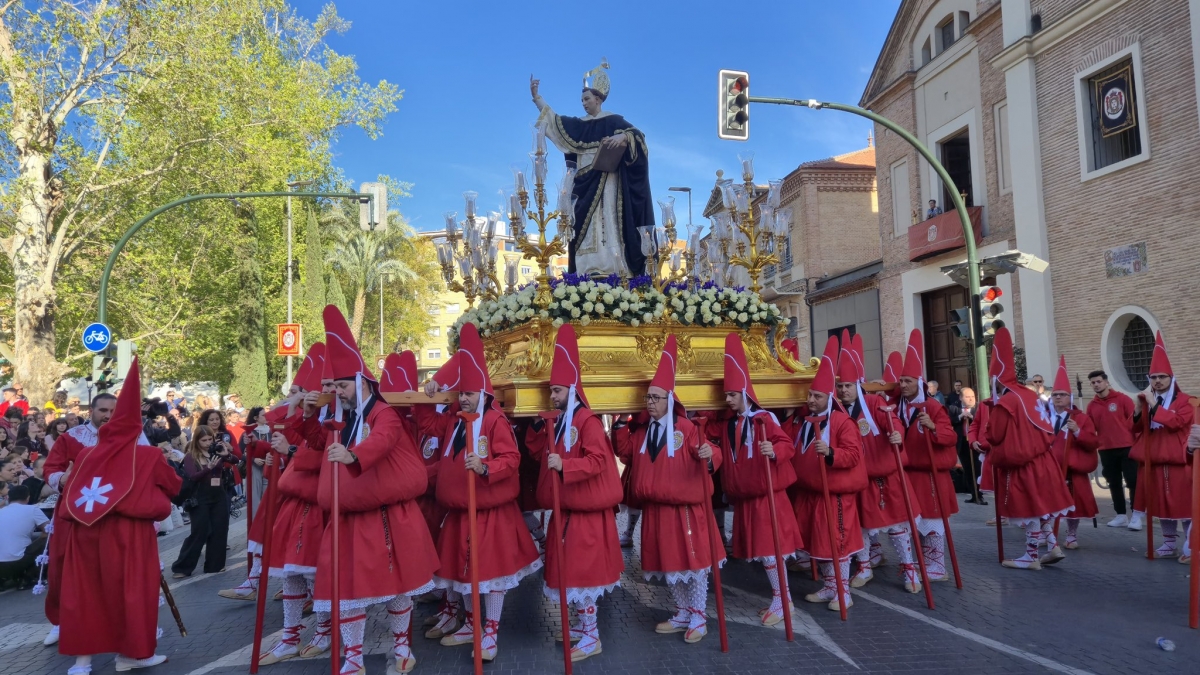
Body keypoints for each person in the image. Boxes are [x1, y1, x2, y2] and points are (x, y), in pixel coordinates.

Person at [297, 306, 438, 675]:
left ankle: (403, 649)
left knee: (398, 585)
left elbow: (384, 439)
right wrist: (309, 415)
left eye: (342, 386)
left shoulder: (382, 412)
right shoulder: (341, 414)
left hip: (387, 516)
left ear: (361, 382)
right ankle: (354, 657)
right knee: (348, 591)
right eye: (334, 386)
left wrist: (353, 455)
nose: (337, 392)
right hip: (348, 518)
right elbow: (315, 440)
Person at [418, 322, 542, 663]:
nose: (464, 398)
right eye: (461, 393)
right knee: (465, 574)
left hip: (489, 515)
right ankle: (471, 624)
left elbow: (512, 458)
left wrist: (486, 468)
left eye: (469, 394)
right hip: (460, 514)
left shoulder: (494, 422)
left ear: (484, 395)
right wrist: (430, 392)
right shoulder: (456, 420)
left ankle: (490, 632)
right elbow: (427, 425)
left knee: (491, 576)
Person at [56, 357, 180, 674]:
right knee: (133, 593)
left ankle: (81, 663)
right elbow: (174, 486)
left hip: (86, 533)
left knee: (86, 594)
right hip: (130, 534)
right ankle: (132, 655)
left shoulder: (86, 452)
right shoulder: (149, 454)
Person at [615, 335, 722, 643]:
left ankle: (699, 615)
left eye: (656, 398)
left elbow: (712, 450)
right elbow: (624, 452)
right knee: (667, 562)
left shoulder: (687, 429)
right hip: (656, 510)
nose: (650, 403)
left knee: (694, 561)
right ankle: (683, 609)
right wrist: (621, 421)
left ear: (670, 400)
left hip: (686, 510)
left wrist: (709, 456)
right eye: (648, 398)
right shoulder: (643, 431)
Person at [530, 325, 623, 662]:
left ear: (571, 389)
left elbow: (599, 459)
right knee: (569, 574)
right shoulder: (561, 419)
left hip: (585, 516)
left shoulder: (587, 421)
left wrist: (565, 467)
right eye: (550, 391)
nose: (551, 396)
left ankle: (591, 635)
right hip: (566, 513)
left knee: (583, 577)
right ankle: (582, 630)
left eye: (556, 391)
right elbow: (536, 449)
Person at [40, 392, 152, 647]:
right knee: (61, 565)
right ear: (91, 410)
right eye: (103, 410)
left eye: (113, 411)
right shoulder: (71, 437)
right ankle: (59, 621)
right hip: (74, 510)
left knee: (113, 568)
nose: (108, 416)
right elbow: (51, 468)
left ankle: (115, 622)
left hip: (113, 514)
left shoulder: (130, 437)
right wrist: (63, 479)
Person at [703, 333, 801, 626]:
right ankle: (780, 599)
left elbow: (787, 445)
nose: (728, 400)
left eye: (732, 395)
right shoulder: (729, 422)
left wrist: (774, 450)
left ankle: (783, 601)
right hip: (747, 497)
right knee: (763, 552)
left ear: (744, 393)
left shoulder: (765, 419)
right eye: (726, 396)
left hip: (767, 497)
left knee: (772, 551)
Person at [530, 60, 653, 277]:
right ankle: (587, 267)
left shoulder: (615, 121)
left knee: (608, 218)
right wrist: (537, 98)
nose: (584, 104)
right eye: (581, 100)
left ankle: (613, 265)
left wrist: (623, 136)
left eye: (587, 99)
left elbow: (639, 138)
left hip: (609, 181)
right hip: (583, 184)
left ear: (598, 99)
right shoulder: (579, 125)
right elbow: (555, 122)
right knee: (582, 224)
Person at [253, 343, 335, 665]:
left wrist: (290, 450)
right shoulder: (310, 413)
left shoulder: (346, 415)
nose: (327, 390)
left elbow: (326, 456)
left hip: (322, 503)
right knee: (291, 573)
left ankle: (325, 630)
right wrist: (293, 414)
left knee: (317, 573)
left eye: (333, 385)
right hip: (296, 502)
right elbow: (293, 441)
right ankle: (289, 634)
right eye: (324, 385)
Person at [834, 332, 921, 594]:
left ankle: (909, 568)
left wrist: (897, 432)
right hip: (858, 480)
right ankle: (864, 566)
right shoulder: (836, 410)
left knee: (897, 526)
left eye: (848, 386)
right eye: (840, 386)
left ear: (857, 386)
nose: (844, 390)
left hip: (887, 476)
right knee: (859, 526)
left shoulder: (874, 402)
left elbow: (891, 421)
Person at [985, 328, 1073, 570]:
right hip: (1044, 459)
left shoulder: (1006, 401)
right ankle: (1053, 545)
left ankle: (1031, 556)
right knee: (1040, 505)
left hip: (1023, 462)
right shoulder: (1029, 394)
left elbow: (994, 435)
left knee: (1031, 507)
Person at [790, 337, 867, 611]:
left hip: (833, 495)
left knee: (837, 544)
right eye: (810, 395)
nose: (811, 400)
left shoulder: (842, 422)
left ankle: (843, 592)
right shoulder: (805, 421)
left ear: (829, 398)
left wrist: (832, 452)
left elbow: (854, 454)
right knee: (818, 544)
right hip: (810, 495)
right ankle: (830, 586)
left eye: (817, 396)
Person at [896, 329, 958, 581]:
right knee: (912, 522)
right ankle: (921, 562)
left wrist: (932, 428)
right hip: (908, 473)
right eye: (901, 381)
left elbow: (950, 436)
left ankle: (937, 566)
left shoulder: (933, 406)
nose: (902, 385)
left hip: (930, 474)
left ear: (918, 383)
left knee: (932, 522)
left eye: (907, 381)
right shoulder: (898, 404)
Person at [1129, 331, 1194, 559]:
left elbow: (1177, 422)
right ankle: (1168, 543)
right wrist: (1138, 410)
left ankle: (1191, 545)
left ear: (1171, 378)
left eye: (1162, 377)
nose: (1157, 381)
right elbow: (1134, 429)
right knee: (1161, 506)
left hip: (1179, 461)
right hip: (1154, 461)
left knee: (1184, 506)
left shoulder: (1186, 401)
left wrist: (1153, 405)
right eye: (1154, 377)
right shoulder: (1145, 401)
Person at [1047, 357, 1100, 550]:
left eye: (1062, 395)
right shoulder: (1044, 417)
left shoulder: (1081, 418)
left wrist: (1077, 431)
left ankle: (1071, 535)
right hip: (1048, 469)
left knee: (1073, 504)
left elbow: (1093, 442)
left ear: (1069, 397)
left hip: (1071, 469)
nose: (1058, 398)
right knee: (1046, 502)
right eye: (1055, 395)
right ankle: (1047, 534)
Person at [170, 425, 236, 577]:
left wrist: (226, 455)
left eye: (209, 439)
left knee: (220, 530)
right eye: (203, 440)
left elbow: (236, 460)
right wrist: (208, 468)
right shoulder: (190, 456)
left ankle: (215, 565)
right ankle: (182, 567)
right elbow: (193, 477)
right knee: (200, 531)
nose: (207, 443)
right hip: (199, 498)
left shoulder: (216, 451)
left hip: (218, 495)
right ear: (197, 441)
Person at [1085, 370, 1139, 529]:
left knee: (1133, 482)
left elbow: (1135, 422)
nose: (1096, 384)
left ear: (1106, 382)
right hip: (1106, 449)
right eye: (1093, 382)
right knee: (1113, 483)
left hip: (1127, 447)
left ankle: (1136, 515)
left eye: (1098, 381)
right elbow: (1090, 429)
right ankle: (1121, 515)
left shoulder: (1123, 399)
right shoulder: (1091, 406)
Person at [0, 484, 48, 587]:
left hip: (1, 564)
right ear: (28, 498)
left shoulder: (1, 511)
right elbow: (48, 531)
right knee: (49, 540)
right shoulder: (32, 509)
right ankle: (29, 577)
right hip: (17, 561)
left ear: (8, 498)